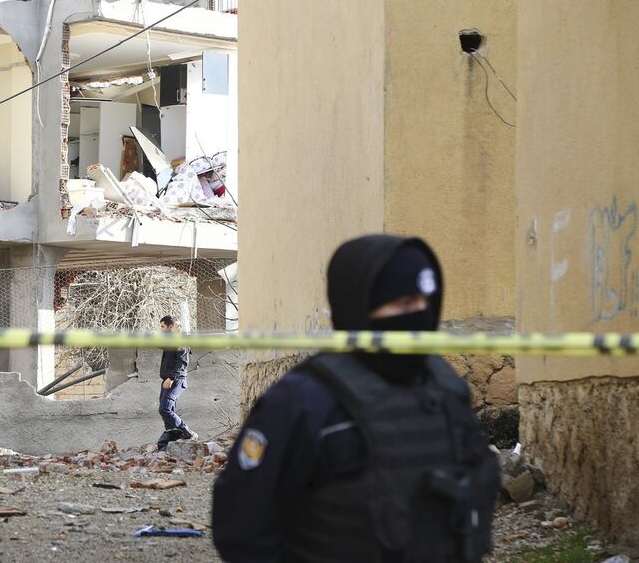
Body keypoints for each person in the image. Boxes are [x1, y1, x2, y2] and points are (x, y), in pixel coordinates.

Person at [212, 235, 500, 563]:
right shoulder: (303, 402)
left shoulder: (444, 387)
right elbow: (241, 525)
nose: (419, 313)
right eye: (404, 302)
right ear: (360, 306)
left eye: (425, 300)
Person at [156, 315, 195, 451]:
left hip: (176, 380)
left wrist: (171, 378)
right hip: (167, 380)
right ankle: (166, 445)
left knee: (165, 408)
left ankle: (186, 431)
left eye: (163, 327)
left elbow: (183, 362)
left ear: (170, 326)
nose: (161, 330)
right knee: (166, 412)